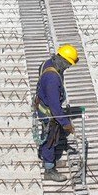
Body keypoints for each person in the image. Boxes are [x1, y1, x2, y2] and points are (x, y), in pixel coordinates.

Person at [34, 44, 81, 175]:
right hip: (48, 113)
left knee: (51, 136)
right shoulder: (52, 79)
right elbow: (55, 108)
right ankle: (49, 168)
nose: (68, 67)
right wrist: (66, 124)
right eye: (68, 64)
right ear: (62, 60)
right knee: (50, 138)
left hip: (43, 105)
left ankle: (51, 160)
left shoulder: (48, 63)